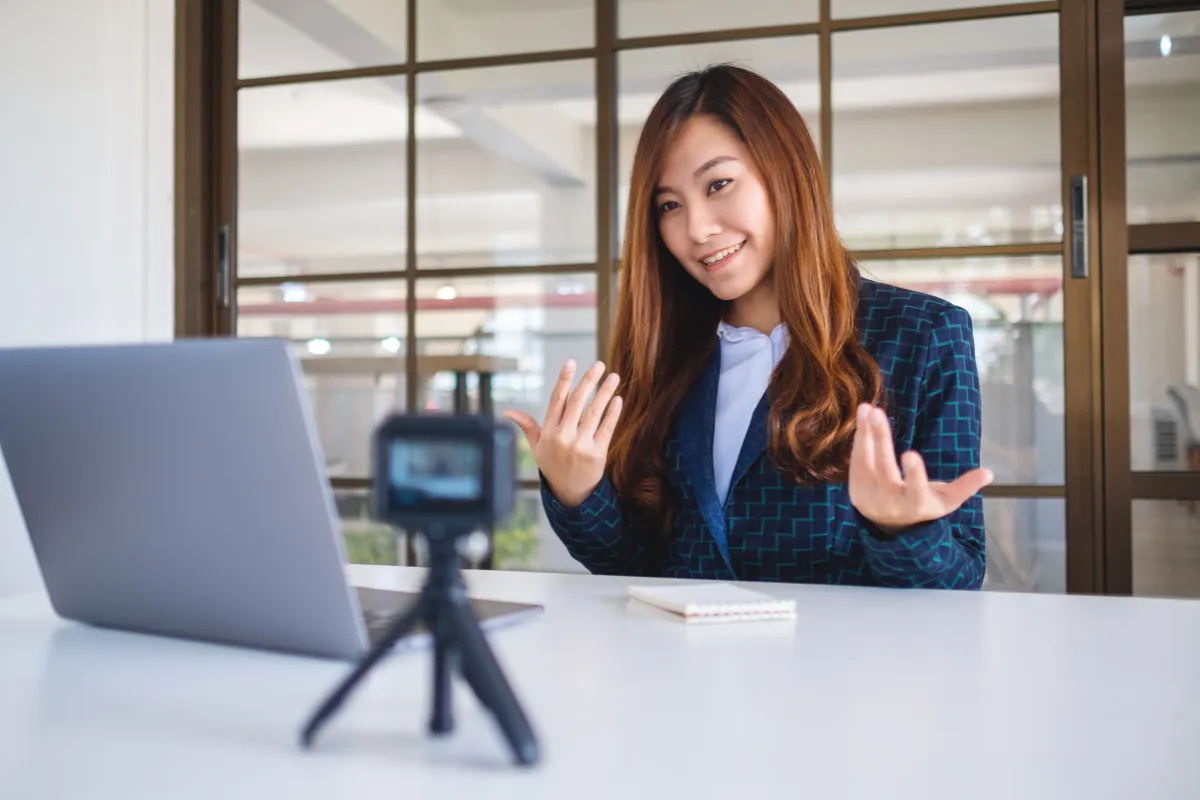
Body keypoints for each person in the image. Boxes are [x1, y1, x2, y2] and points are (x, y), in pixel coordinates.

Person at [504, 64, 992, 589]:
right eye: (669, 205)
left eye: (719, 184)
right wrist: (578, 491)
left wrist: (903, 531)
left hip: (837, 669)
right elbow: (638, 568)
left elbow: (960, 581)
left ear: (784, 172)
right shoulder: (662, 352)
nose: (696, 229)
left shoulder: (925, 335)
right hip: (674, 667)